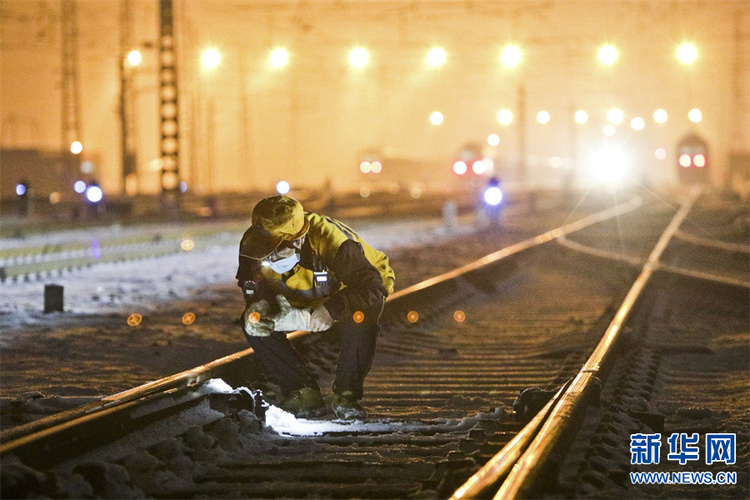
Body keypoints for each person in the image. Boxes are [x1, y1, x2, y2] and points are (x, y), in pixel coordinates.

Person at [236, 195, 395, 420]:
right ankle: (302, 392)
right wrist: (259, 305)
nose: (268, 257)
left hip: (353, 286)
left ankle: (346, 395)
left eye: (276, 249)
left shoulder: (332, 242)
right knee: (254, 324)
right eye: (263, 248)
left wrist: (330, 310)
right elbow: (252, 285)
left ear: (298, 240)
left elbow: (371, 288)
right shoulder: (252, 243)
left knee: (360, 318)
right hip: (301, 287)